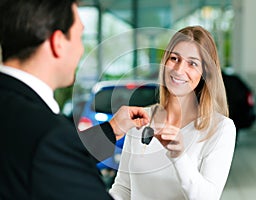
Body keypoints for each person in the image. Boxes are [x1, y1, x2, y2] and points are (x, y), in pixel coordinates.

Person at [0, 0, 149, 200]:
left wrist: (112, 128)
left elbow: (41, 158)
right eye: (79, 36)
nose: (81, 49)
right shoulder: (50, 137)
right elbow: (52, 154)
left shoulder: (16, 111)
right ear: (58, 42)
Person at [109, 26, 236, 200]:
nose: (178, 69)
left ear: (205, 73)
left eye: (192, 63)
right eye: (174, 58)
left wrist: (179, 157)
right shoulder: (139, 118)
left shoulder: (221, 128)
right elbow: (123, 188)